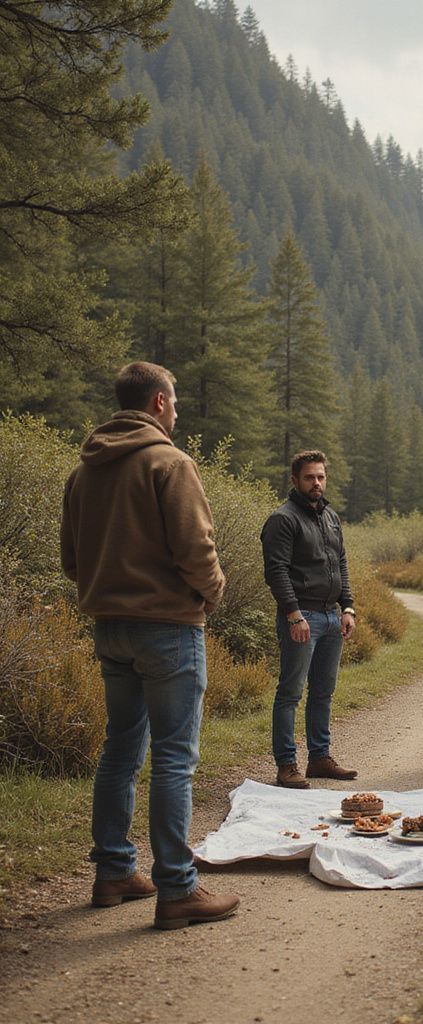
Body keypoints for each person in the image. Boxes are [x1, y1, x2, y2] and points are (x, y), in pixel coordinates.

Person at [60, 361, 239, 929]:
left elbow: (71, 559)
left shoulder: (84, 471)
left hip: (109, 627)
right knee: (173, 760)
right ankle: (178, 889)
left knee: (119, 751)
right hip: (168, 629)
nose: (178, 409)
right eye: (176, 400)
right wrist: (212, 596)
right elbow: (196, 549)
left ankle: (113, 871)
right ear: (159, 403)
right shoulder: (170, 462)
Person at [261, 450, 358, 789]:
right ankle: (287, 764)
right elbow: (276, 571)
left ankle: (319, 758)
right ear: (295, 480)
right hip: (301, 618)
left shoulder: (330, 516)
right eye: (309, 477)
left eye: (320, 477)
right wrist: (293, 614)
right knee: (290, 692)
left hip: (332, 618)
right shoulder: (283, 519)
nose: (316, 483)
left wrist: (348, 608)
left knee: (323, 692)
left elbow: (341, 564)